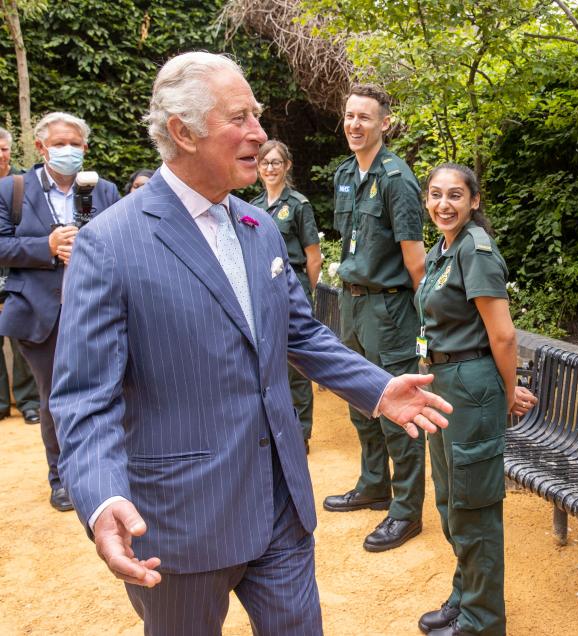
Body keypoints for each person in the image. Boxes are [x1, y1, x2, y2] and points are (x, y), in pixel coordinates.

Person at [49, 51, 452, 636]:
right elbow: (86, 398)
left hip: (280, 507)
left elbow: (298, 332)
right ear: (183, 133)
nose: (259, 133)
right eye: (240, 118)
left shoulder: (259, 226)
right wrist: (103, 498)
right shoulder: (110, 243)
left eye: (256, 115)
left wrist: (378, 387)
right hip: (179, 525)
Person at [414, 164, 536, 636]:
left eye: (456, 195)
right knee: (450, 501)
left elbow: (503, 336)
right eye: (436, 195)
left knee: (474, 508)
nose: (444, 204)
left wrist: (506, 392)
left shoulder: (476, 251)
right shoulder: (444, 250)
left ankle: (483, 621)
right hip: (442, 384)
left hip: (470, 386)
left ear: (474, 201)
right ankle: (466, 596)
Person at [324, 83, 428, 553]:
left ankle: (405, 511)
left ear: (384, 123)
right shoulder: (346, 174)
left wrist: (426, 325)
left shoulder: (397, 179)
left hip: (389, 311)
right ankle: (373, 484)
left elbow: (416, 263)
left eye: (365, 117)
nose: (354, 124)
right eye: (349, 116)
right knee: (359, 401)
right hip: (351, 303)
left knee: (397, 414)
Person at [0, 112, 120, 512]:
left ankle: (109, 474)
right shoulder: (11, 190)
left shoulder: (104, 190)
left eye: (75, 143)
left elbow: (126, 242)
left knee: (110, 391)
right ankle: (63, 478)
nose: (67, 150)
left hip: (96, 309)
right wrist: (46, 246)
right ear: (41, 147)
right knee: (55, 398)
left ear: (85, 148)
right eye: (59, 143)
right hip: (40, 312)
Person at [250, 140, 322, 452]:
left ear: (287, 166)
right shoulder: (252, 207)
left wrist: (308, 293)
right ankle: (275, 426)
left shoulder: (298, 205)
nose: (270, 168)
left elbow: (313, 256)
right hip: (262, 288)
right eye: (264, 163)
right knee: (267, 360)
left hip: (293, 285)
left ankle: (301, 430)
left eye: (276, 162)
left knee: (296, 363)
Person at [0, 126, 41, 424]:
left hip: (17, 271)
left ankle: (28, 402)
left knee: (20, 337)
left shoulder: (22, 184)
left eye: (2, 148)